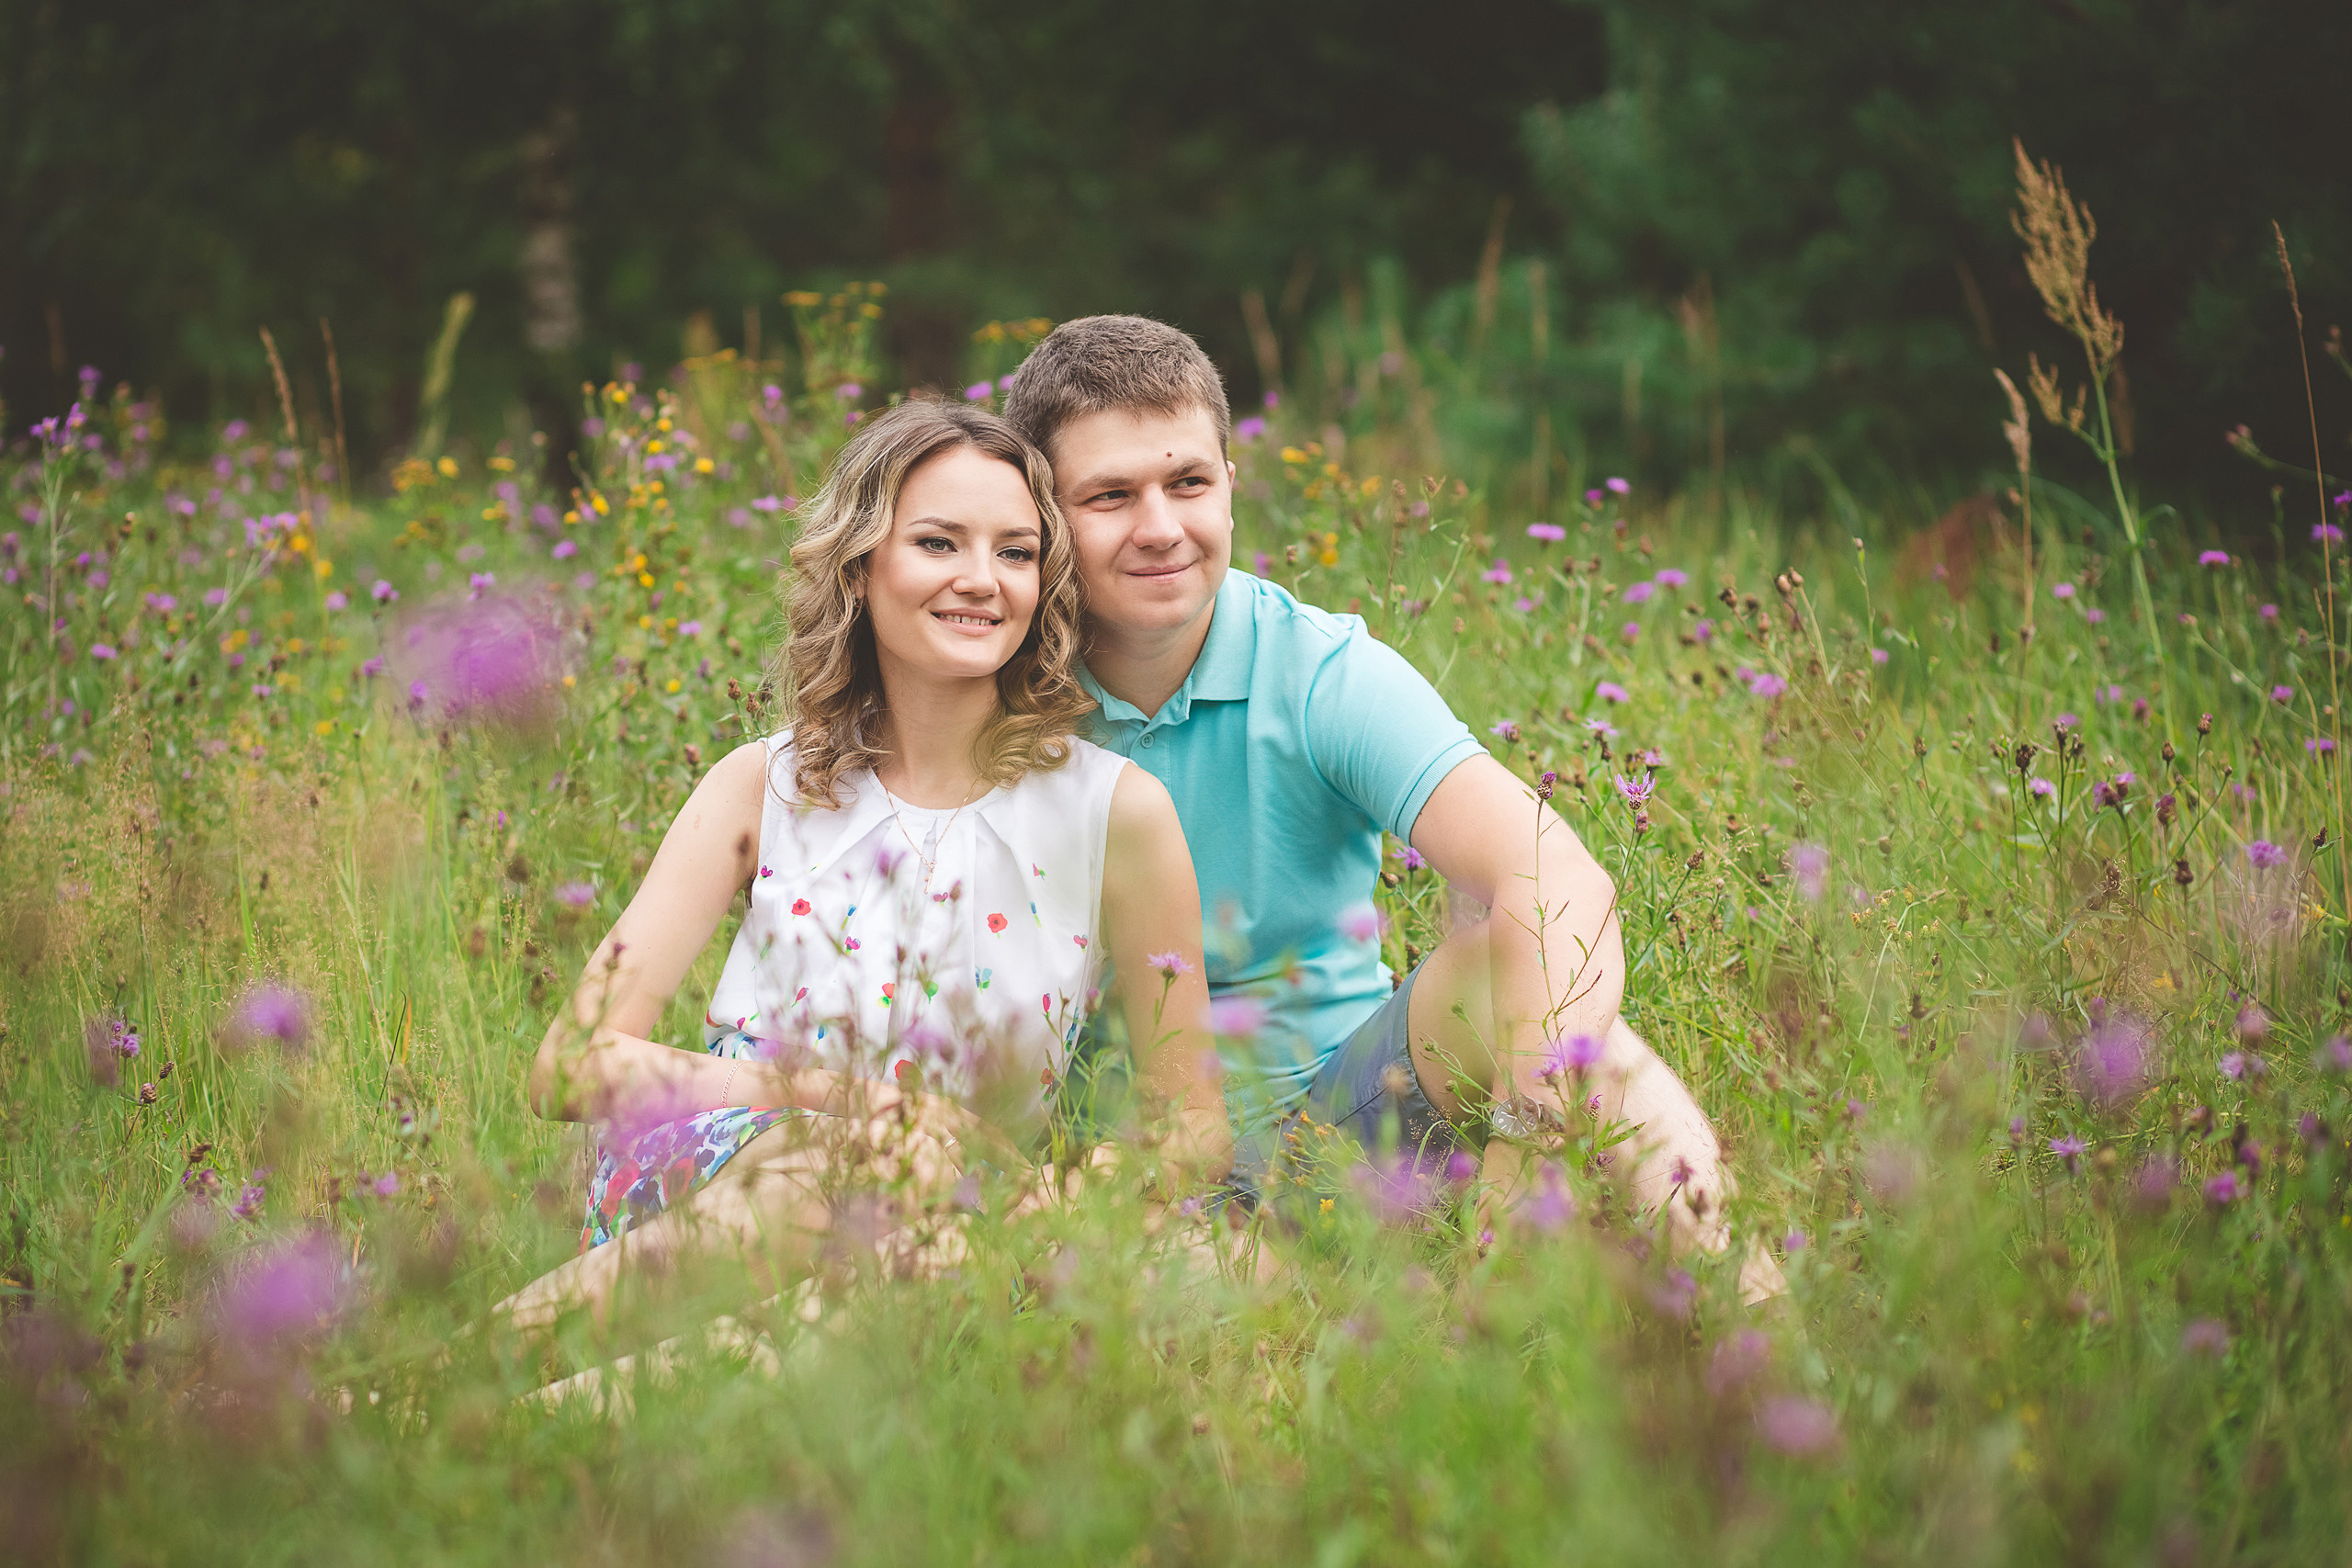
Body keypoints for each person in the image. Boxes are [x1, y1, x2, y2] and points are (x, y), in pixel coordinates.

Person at [1001, 317, 1782, 1301]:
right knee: (1136, 1310)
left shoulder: (1318, 668)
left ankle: (1768, 1352)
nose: (1160, 525)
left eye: (1188, 482)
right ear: (1042, 516)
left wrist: (1523, 1147)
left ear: (1232, 483)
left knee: (1576, 1026)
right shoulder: (991, 681)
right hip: (1131, 1169)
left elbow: (1558, 879)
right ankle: (1310, 1289)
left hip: (1349, 1119)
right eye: (1110, 496)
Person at [497, 399, 1230, 1334]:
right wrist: (852, 1105)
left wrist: (1058, 1200)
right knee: (870, 1167)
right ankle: (453, 1381)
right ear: (859, 565)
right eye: (937, 543)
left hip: (940, 1214)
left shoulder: (1113, 813)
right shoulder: (761, 785)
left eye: (1014, 553)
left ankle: (493, 1425)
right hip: (711, 1177)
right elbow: (570, 1066)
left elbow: (1193, 1127)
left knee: (933, 1267)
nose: (982, 580)